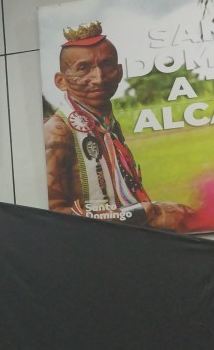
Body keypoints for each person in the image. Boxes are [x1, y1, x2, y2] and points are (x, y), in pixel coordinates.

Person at [43, 22, 191, 231]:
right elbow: (51, 217)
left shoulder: (106, 123)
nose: (99, 78)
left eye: (107, 64)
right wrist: (140, 214)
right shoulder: (57, 132)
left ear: (119, 71)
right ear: (61, 81)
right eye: (83, 68)